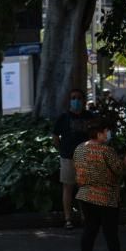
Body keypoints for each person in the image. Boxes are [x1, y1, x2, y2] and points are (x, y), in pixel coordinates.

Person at [73, 117, 126, 251]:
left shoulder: (79, 149)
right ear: (99, 133)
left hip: (85, 195)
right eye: (106, 131)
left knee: (89, 231)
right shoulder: (106, 151)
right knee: (111, 233)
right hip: (106, 197)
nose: (108, 134)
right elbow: (121, 170)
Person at [53, 88, 94, 229]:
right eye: (73, 98)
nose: (75, 101)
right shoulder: (63, 118)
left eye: (78, 98)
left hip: (86, 158)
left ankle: (86, 218)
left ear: (83, 101)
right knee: (68, 188)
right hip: (68, 158)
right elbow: (55, 136)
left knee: (85, 189)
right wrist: (62, 150)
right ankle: (68, 219)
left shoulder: (90, 117)